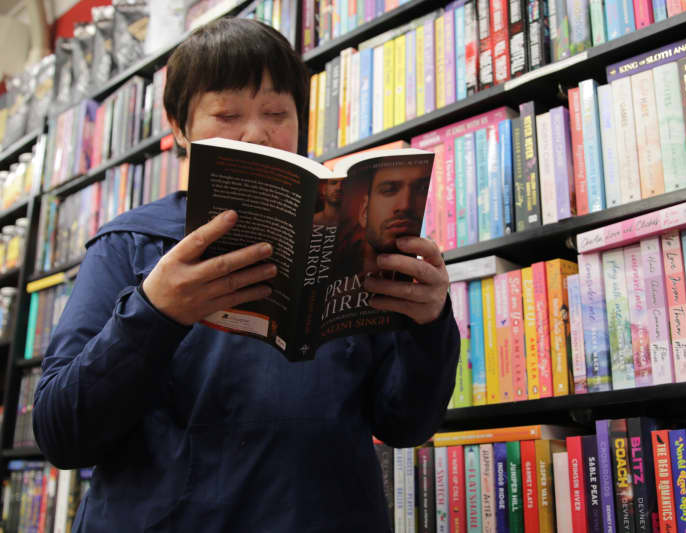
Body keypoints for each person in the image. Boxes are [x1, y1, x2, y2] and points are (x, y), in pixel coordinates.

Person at [33, 18, 459, 533]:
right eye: (227, 114)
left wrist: (429, 324)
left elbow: (406, 424)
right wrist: (154, 312)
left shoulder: (354, 237)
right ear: (179, 127)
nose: (256, 134)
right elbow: (61, 434)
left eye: (277, 113)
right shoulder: (130, 244)